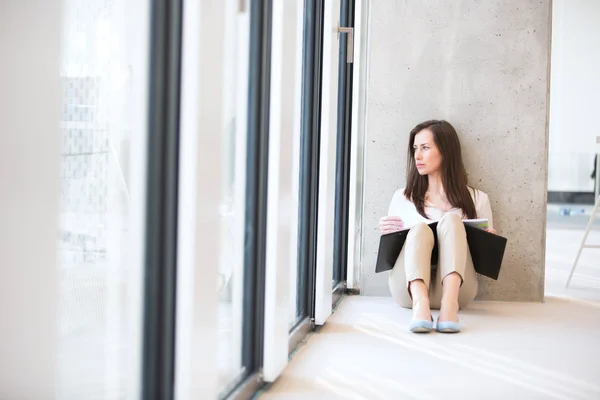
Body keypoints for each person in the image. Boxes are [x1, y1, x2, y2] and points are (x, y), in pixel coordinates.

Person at [379, 120, 497, 334]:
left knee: (452, 221)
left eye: (425, 148)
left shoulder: (478, 199)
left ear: (445, 151)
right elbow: (390, 257)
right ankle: (421, 307)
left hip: (459, 292)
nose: (417, 156)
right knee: (420, 229)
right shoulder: (402, 197)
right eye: (415, 149)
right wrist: (387, 233)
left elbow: (483, 264)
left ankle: (449, 307)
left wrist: (489, 242)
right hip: (408, 290)